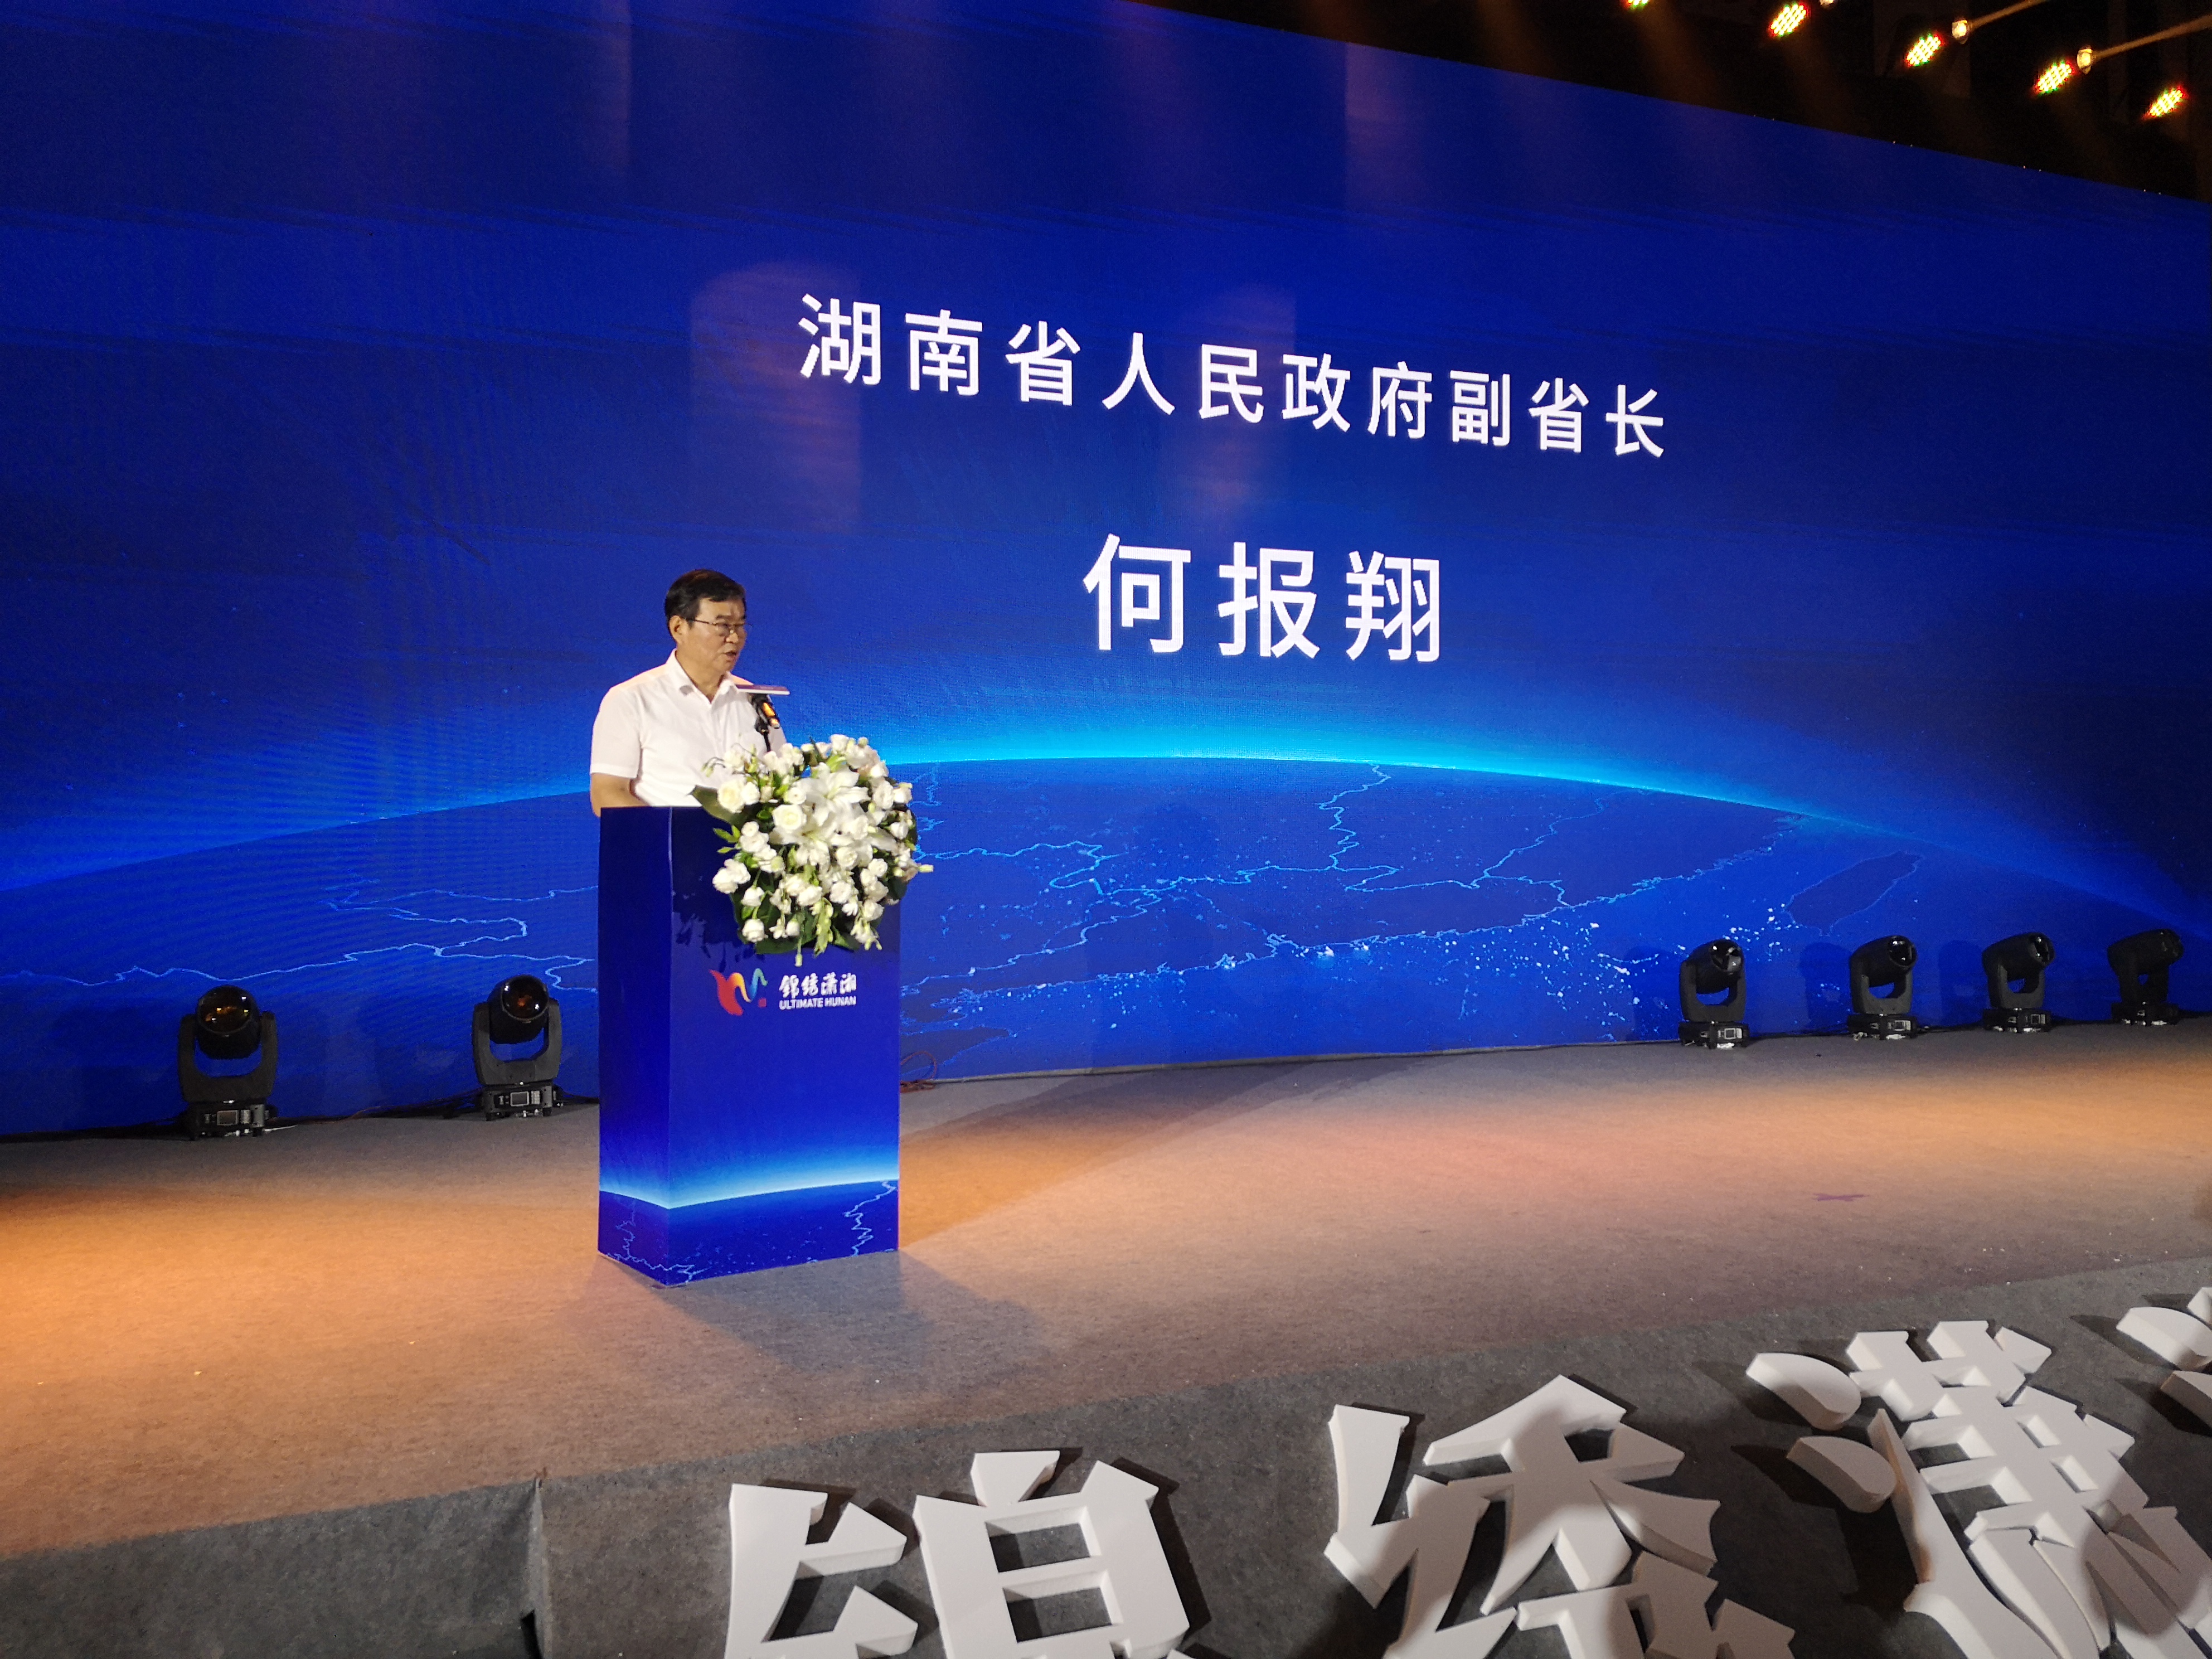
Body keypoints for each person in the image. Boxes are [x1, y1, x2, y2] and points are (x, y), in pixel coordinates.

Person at [589, 569, 784, 814]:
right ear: (678, 628)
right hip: (669, 839)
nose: (735, 638)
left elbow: (783, 781)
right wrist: (672, 832)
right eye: (723, 626)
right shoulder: (631, 700)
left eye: (740, 626)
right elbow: (607, 794)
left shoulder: (754, 699)